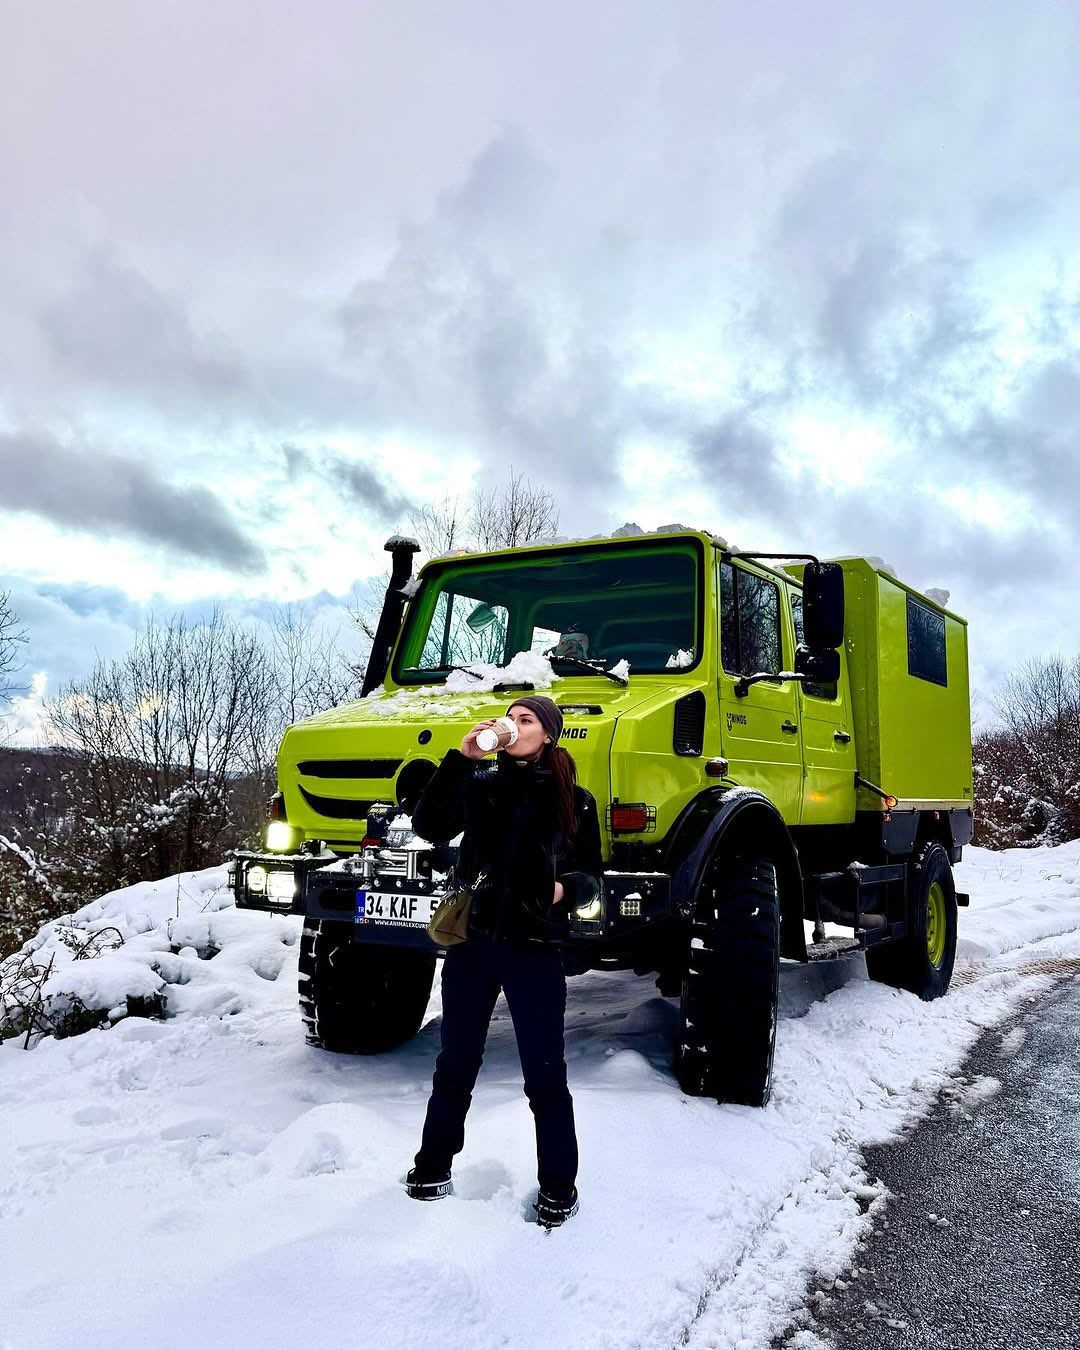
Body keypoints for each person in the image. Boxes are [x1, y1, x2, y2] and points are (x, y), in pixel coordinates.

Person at [403, 694, 603, 1228]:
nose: (513, 726)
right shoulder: (481, 786)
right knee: (455, 1065)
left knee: (544, 1076)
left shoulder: (575, 800)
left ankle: (559, 1187)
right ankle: (431, 1168)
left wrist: (563, 889)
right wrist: (462, 759)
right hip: (473, 947)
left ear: (549, 733)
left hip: (534, 951)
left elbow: (592, 877)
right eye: (510, 718)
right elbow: (429, 826)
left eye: (526, 719)